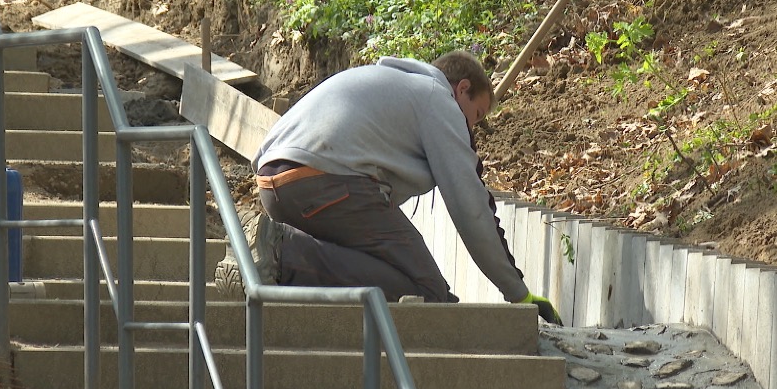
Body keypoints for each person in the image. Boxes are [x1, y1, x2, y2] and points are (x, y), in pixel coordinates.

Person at [214, 50, 561, 325]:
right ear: (463, 88)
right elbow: (471, 207)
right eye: (477, 114)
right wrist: (517, 293)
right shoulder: (437, 99)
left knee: (381, 268)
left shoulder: (384, 83)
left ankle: (274, 251)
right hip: (325, 182)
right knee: (427, 293)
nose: (471, 129)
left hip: (275, 183)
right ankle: (284, 254)